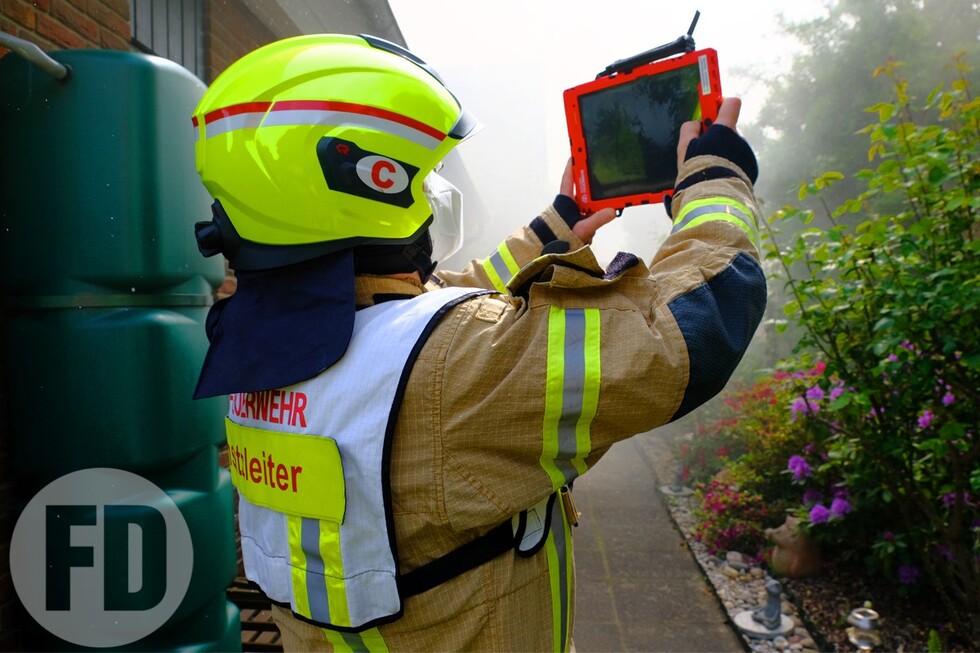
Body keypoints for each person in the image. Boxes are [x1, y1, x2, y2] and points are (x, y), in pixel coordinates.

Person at [191, 33, 766, 652]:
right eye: (421, 175)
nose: (433, 195)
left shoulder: (252, 349)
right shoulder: (454, 370)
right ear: (366, 182)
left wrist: (554, 227)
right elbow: (696, 320)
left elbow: (421, 310)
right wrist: (714, 180)